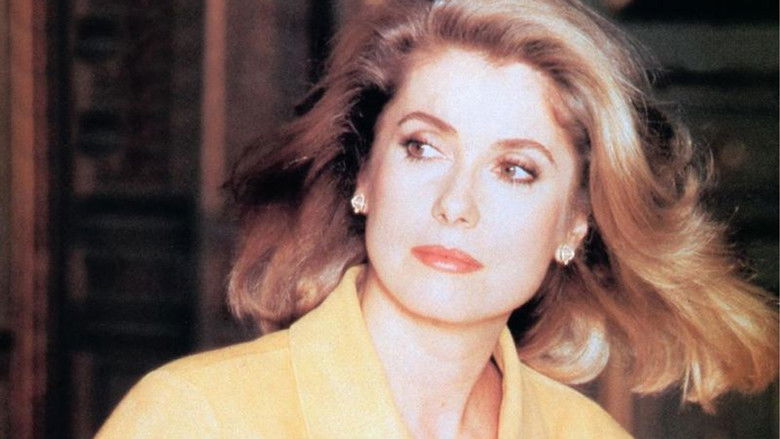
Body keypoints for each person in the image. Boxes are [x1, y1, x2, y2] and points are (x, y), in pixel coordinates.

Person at [97, 0, 778, 437]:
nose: (457, 203)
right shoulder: (194, 417)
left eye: (516, 169)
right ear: (365, 174)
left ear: (575, 223)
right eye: (423, 146)